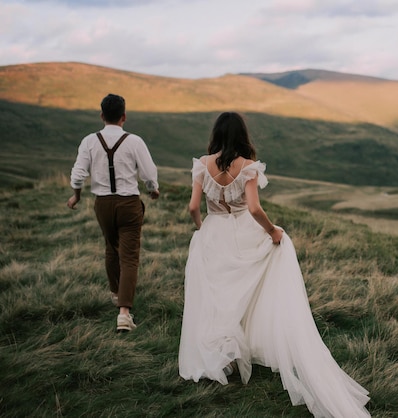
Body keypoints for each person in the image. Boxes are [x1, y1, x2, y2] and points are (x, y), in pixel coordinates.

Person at [178, 112, 370, 417]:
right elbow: (254, 208)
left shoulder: (202, 164)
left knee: (220, 294)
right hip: (244, 231)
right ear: (242, 135)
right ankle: (246, 345)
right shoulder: (248, 167)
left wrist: (202, 228)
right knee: (251, 287)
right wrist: (273, 232)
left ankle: (225, 355)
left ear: (216, 134)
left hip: (215, 231)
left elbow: (192, 207)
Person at [67, 93, 159, 332]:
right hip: (128, 203)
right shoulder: (135, 141)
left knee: (111, 248)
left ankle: (115, 294)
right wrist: (153, 190)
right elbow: (149, 173)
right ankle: (124, 313)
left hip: (103, 204)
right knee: (129, 257)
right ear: (124, 116)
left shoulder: (89, 141)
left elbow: (78, 174)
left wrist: (76, 195)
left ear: (101, 115)